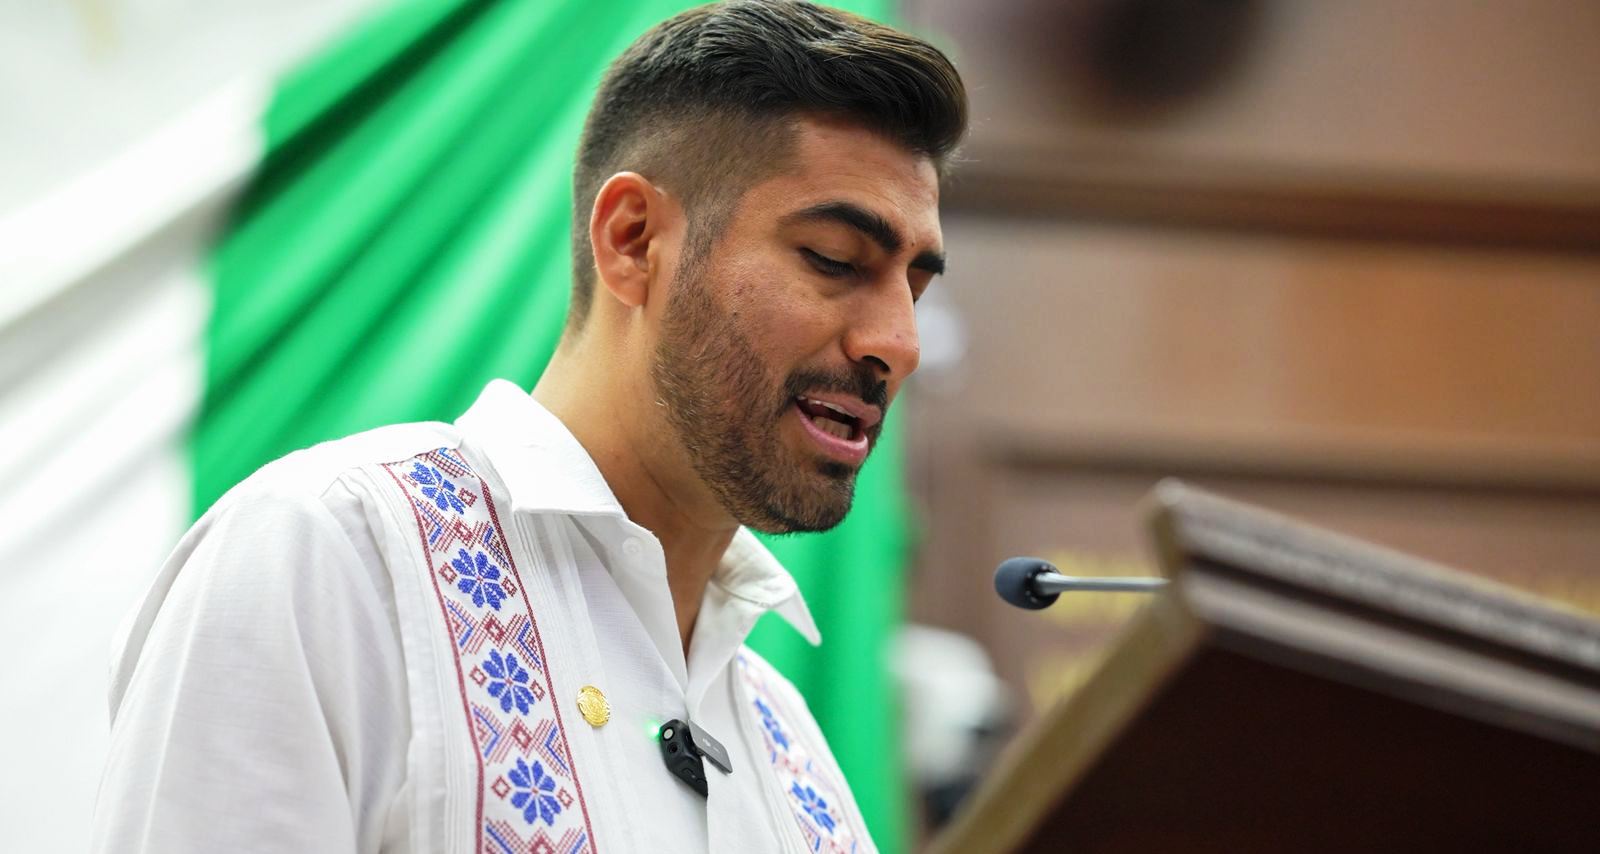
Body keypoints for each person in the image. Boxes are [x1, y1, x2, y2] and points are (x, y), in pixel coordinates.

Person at [91, 1, 966, 851]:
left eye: (914, 288)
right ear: (633, 240)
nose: (898, 344)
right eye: (834, 260)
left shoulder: (791, 751)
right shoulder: (337, 555)